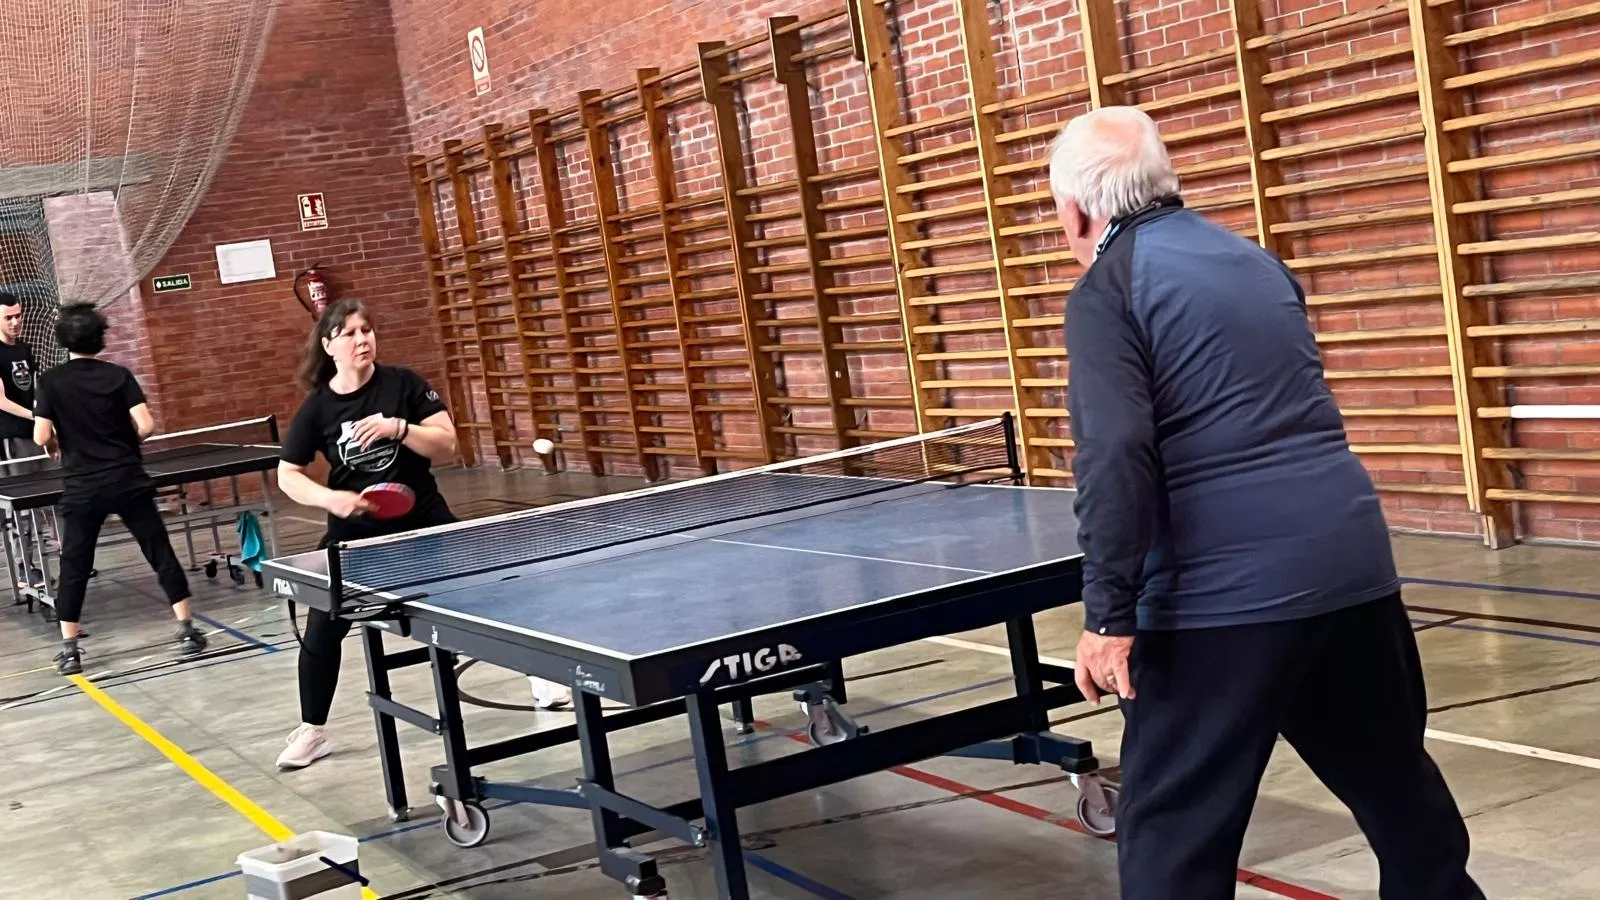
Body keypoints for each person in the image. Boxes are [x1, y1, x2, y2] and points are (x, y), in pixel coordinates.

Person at [1048, 106, 1484, 900]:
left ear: (1076, 211)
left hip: (1221, 598)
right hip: (1351, 567)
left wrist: (1108, 617)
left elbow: (1115, 452)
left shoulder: (1106, 290)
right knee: (1395, 788)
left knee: (1173, 837)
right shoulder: (1255, 262)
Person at [32, 302, 206, 675]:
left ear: (63, 340)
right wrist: (124, 442)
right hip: (127, 479)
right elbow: (147, 425)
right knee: (159, 550)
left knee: (75, 565)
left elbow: (41, 436)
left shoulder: (50, 382)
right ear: (100, 337)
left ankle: (70, 650)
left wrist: (58, 442)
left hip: (84, 486)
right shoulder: (119, 375)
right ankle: (188, 629)